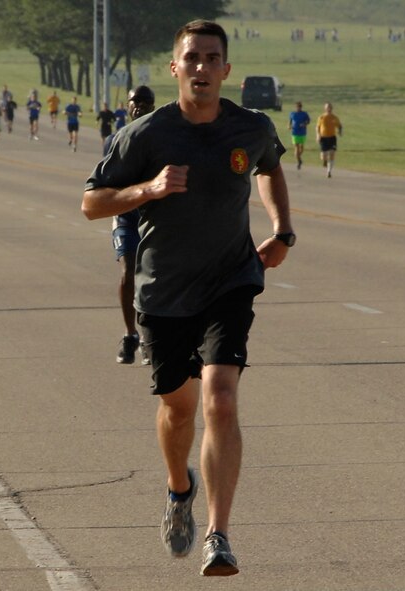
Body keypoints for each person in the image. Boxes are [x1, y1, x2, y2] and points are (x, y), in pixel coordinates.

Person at [81, 20, 294, 577]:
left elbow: (270, 166)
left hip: (230, 279)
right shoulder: (145, 136)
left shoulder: (250, 127)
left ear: (226, 70)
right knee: (177, 409)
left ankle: (219, 535)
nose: (201, 67)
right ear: (175, 68)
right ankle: (180, 489)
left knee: (219, 400)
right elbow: (92, 203)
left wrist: (282, 228)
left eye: (212, 58)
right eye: (191, 58)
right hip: (164, 291)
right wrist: (146, 190)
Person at [103, 86, 156, 365]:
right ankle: (129, 335)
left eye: (146, 102)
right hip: (126, 216)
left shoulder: (163, 139)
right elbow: (106, 179)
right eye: (136, 101)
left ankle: (149, 339)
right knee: (128, 271)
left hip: (154, 217)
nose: (140, 106)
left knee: (151, 276)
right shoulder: (114, 140)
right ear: (128, 104)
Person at [316, 102, 342, 178]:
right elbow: (317, 127)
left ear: (331, 108)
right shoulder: (321, 117)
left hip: (332, 137)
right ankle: (324, 160)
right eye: (327, 107)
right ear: (325, 108)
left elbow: (339, 126)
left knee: (332, 153)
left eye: (330, 107)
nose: (329, 109)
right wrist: (318, 135)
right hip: (323, 138)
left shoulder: (334, 117)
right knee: (323, 156)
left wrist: (339, 131)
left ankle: (329, 171)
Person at [287, 101, 311, 169]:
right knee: (296, 147)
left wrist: (304, 123)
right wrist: (289, 126)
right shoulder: (292, 114)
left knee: (302, 148)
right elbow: (290, 121)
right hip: (294, 133)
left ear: (301, 107)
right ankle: (298, 161)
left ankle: (298, 157)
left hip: (302, 132)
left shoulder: (304, 114)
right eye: (297, 106)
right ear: (295, 107)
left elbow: (308, 121)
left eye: (300, 106)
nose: (299, 108)